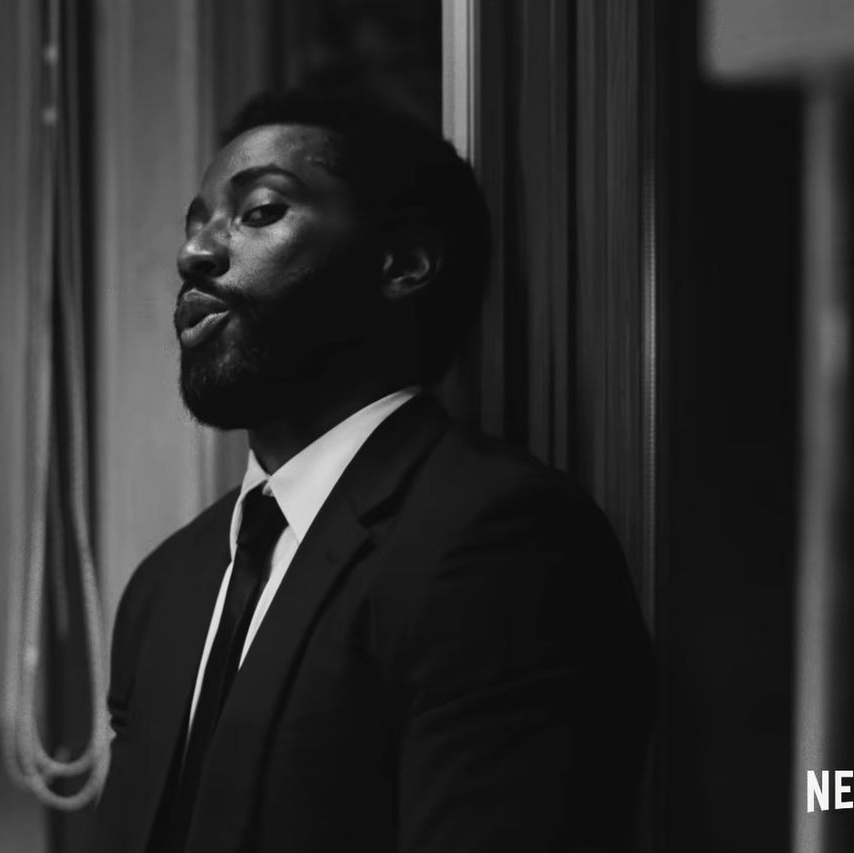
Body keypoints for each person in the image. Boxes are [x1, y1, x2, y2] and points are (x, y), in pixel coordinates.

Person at [94, 89, 653, 853]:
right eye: (195, 226)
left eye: (259, 211)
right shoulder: (165, 586)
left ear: (404, 263)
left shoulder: (497, 544)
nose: (195, 254)